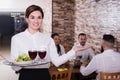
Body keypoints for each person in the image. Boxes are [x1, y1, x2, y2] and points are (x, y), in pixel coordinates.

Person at [10, 5, 90, 80]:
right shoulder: (17, 39)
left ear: (42, 19)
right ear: (27, 19)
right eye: (32, 17)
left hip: (44, 75)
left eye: (39, 17)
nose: (36, 21)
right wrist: (22, 62)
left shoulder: (48, 39)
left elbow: (57, 61)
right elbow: (14, 67)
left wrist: (74, 51)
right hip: (26, 76)